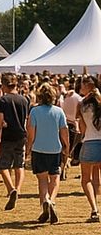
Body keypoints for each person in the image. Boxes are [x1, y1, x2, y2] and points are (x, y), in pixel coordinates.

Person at [26, 82, 69, 224]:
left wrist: (28, 148)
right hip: (55, 149)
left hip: (39, 149)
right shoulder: (59, 112)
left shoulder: (34, 111)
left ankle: (45, 200)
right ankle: (52, 200)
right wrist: (66, 146)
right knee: (55, 178)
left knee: (42, 179)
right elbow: (64, 131)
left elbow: (31, 134)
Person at [0, 74, 29, 211]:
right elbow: (26, 118)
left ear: (4, 85)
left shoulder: (2, 100)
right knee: (19, 164)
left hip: (7, 135)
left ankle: (10, 188)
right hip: (21, 135)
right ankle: (18, 189)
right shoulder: (24, 99)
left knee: (3, 165)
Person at [77, 76, 101, 223]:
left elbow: (82, 129)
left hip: (89, 142)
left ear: (87, 86)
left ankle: (94, 210)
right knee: (96, 176)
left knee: (86, 179)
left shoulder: (82, 104)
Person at [60, 78, 83, 179]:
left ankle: (63, 170)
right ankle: (63, 170)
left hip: (63, 124)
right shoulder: (79, 99)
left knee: (63, 149)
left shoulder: (63, 97)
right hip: (74, 125)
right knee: (69, 151)